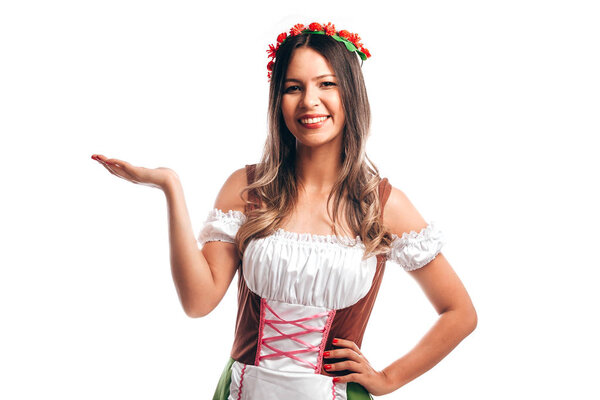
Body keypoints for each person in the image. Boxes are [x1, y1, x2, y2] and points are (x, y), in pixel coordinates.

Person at [91, 21, 477, 400]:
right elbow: (197, 302)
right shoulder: (248, 189)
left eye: (327, 84)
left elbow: (459, 313)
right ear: (279, 101)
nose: (309, 101)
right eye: (294, 87)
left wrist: (389, 378)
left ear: (351, 95)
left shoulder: (381, 204)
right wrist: (170, 187)